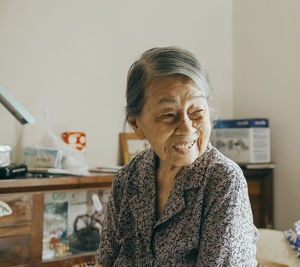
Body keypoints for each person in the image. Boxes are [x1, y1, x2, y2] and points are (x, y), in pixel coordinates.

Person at [96, 47, 259, 266]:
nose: (186, 128)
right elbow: (105, 260)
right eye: (168, 115)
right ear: (136, 124)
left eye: (197, 113)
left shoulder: (222, 180)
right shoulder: (128, 178)